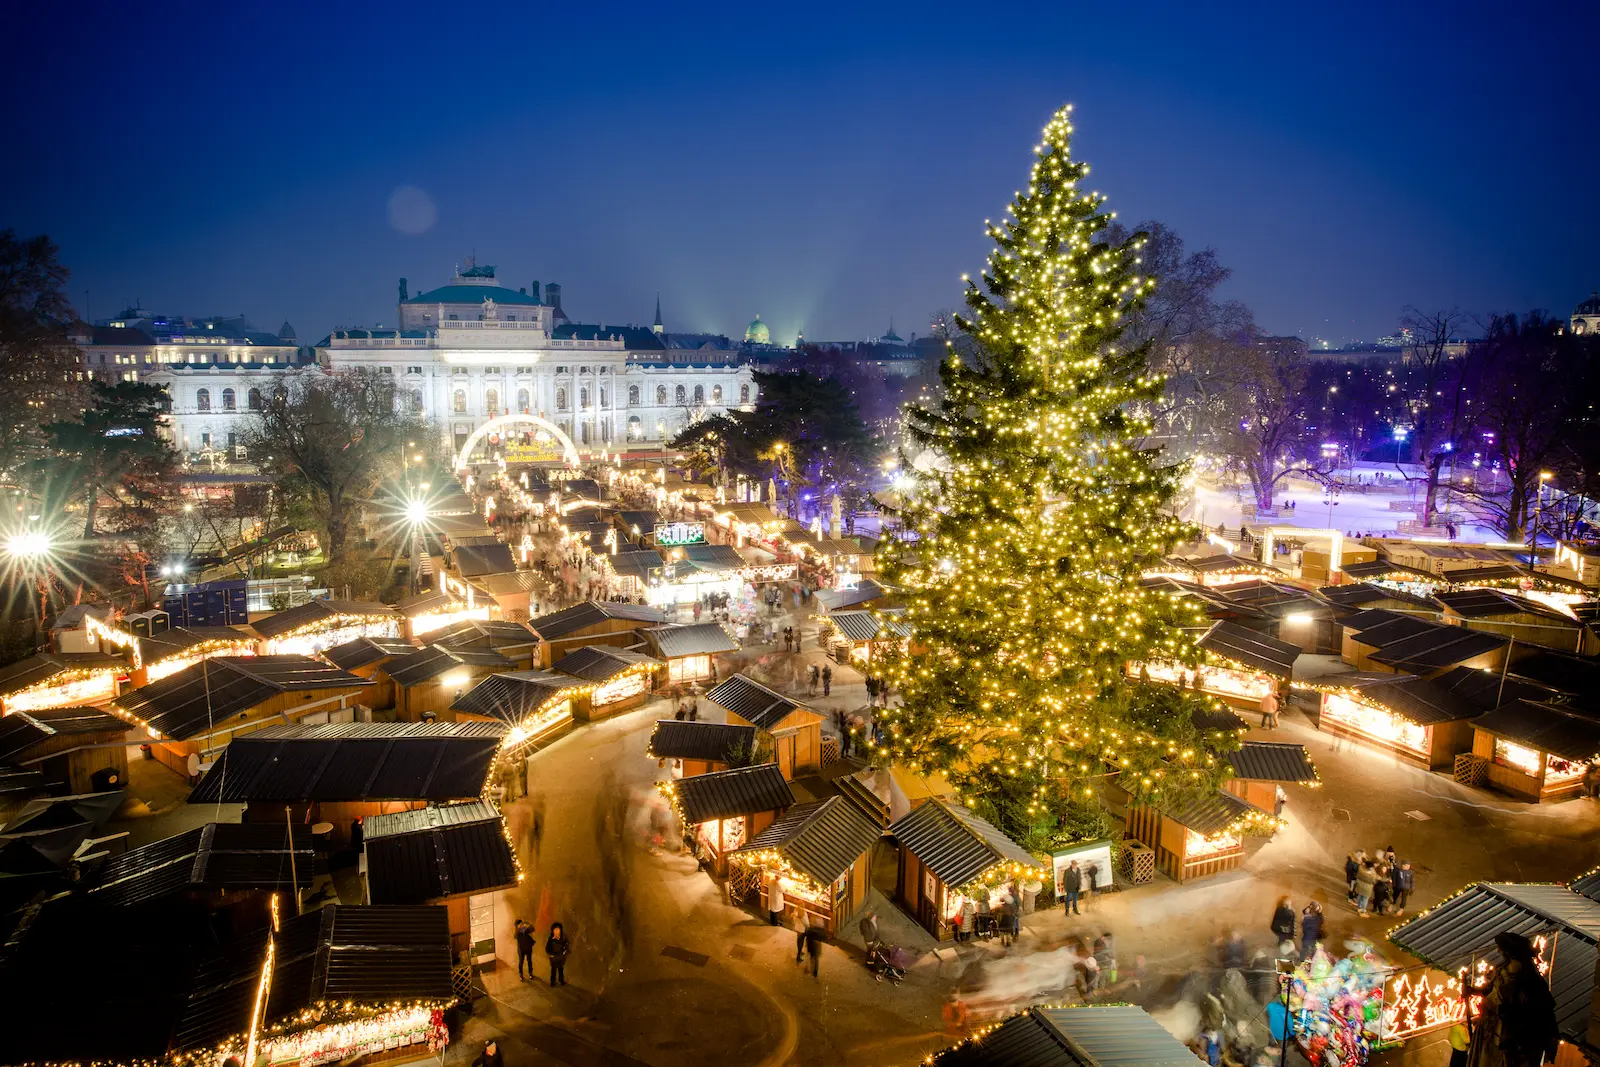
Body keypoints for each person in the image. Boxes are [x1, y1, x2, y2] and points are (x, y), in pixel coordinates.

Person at [1462, 931, 1559, 1067]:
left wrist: (1502, 1010)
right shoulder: (1503, 968)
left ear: (1509, 950)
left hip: (1510, 1034)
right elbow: (1490, 989)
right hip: (1491, 1027)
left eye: (1500, 948)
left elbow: (1537, 1007)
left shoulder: (1527, 976)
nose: (1498, 950)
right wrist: (1473, 991)